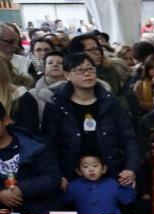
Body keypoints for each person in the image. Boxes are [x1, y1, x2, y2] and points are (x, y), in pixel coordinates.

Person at [42, 51, 140, 188]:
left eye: (90, 69)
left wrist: (131, 168)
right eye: (80, 70)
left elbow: (128, 137)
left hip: (111, 173)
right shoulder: (57, 105)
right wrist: (56, 175)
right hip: (71, 176)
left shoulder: (111, 102)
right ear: (67, 75)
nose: (87, 74)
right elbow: (49, 144)